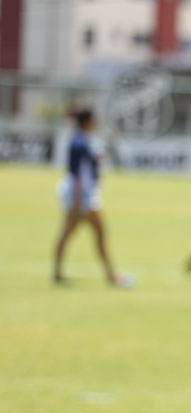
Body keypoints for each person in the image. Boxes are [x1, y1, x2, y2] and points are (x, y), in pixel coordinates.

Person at [53, 106, 128, 286]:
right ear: (88, 120)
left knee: (71, 232)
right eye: (94, 118)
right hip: (80, 194)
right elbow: (77, 174)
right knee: (95, 231)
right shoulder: (79, 142)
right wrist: (78, 202)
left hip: (81, 194)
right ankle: (112, 276)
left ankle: (58, 273)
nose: (97, 121)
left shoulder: (82, 139)